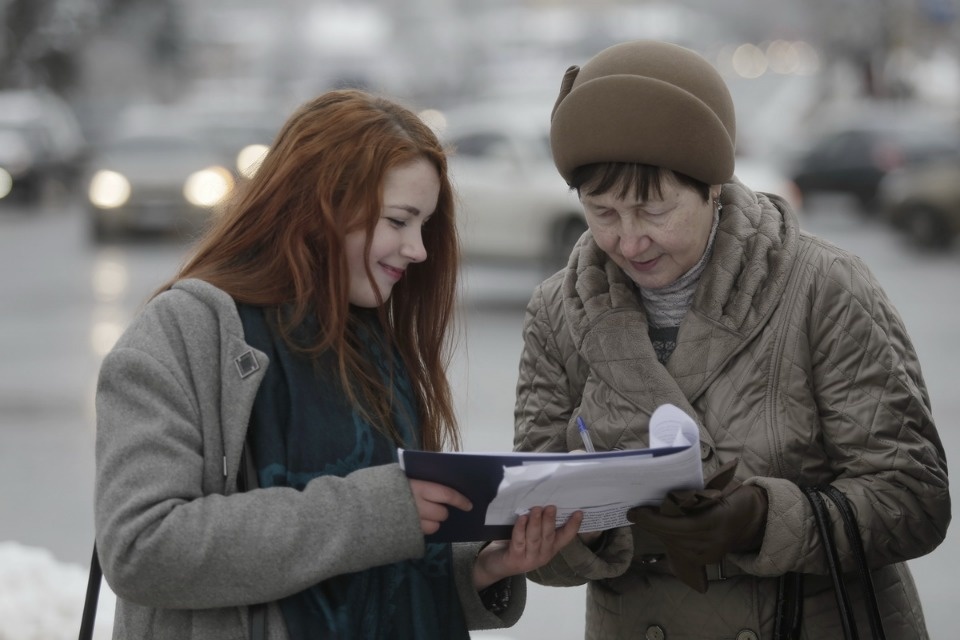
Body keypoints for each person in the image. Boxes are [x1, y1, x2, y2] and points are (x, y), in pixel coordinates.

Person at [94, 89, 582, 640]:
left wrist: (479, 567)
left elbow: (382, 563)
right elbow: (142, 547)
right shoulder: (185, 333)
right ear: (321, 205)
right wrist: (379, 509)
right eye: (399, 221)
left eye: (422, 225)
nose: (418, 249)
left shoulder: (374, 340)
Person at [513, 40, 951, 639]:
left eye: (654, 210)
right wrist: (581, 529)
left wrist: (766, 520)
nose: (630, 241)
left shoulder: (824, 287)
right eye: (603, 212)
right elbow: (535, 539)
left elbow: (915, 499)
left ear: (712, 186)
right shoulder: (555, 312)